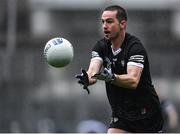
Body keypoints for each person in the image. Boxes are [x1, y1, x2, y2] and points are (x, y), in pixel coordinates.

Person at [75, 5, 163, 133]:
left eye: (109, 21)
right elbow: (93, 71)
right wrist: (87, 78)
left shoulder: (135, 48)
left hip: (146, 114)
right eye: (103, 22)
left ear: (122, 24)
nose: (105, 26)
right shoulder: (101, 47)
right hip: (121, 114)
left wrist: (112, 78)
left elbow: (133, 81)